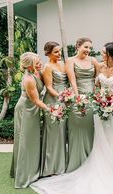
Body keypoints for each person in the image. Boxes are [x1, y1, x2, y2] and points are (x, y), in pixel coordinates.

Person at [30, 42, 113, 194]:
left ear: (111, 54)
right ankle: (101, 167)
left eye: (105, 52)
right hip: (100, 109)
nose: (101, 54)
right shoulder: (100, 68)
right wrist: (100, 101)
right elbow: (97, 86)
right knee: (101, 140)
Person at [10, 52, 48, 188]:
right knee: (26, 139)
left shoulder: (38, 72)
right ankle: (24, 174)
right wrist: (51, 110)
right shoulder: (29, 79)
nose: (40, 64)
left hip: (34, 108)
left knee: (33, 139)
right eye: (37, 63)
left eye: (39, 61)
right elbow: (36, 100)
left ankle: (33, 169)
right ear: (30, 66)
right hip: (26, 109)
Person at [66, 37, 99, 172]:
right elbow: (72, 81)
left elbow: (98, 79)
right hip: (77, 97)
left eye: (90, 48)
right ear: (78, 46)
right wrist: (78, 98)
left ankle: (89, 161)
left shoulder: (94, 61)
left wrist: (97, 97)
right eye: (86, 47)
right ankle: (75, 163)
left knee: (90, 129)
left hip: (92, 99)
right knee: (76, 129)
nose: (88, 50)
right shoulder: (70, 61)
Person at [41, 41, 68, 176]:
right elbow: (49, 87)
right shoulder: (47, 67)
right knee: (53, 133)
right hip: (53, 100)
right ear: (48, 53)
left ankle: (61, 165)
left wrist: (68, 96)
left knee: (62, 132)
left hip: (64, 99)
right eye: (56, 52)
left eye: (60, 51)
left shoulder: (63, 63)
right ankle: (50, 167)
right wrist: (61, 97)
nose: (59, 54)